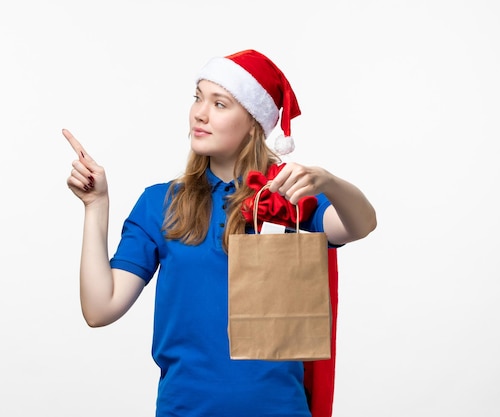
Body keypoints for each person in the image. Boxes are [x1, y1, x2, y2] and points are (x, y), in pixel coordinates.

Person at [63, 49, 377, 417]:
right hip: (185, 409)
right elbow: (101, 308)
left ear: (254, 122)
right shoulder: (159, 203)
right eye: (198, 97)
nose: (200, 112)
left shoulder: (285, 195)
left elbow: (360, 225)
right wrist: (96, 206)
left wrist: (331, 183)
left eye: (220, 103)